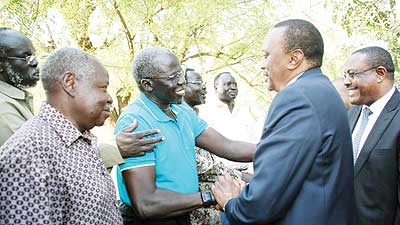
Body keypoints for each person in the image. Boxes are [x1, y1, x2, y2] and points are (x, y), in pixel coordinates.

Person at [212, 19, 354, 225]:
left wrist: (231, 203)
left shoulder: (296, 97)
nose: (263, 64)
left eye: (267, 55)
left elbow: (263, 204)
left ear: (294, 58)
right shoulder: (323, 90)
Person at [114, 47, 255, 225]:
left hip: (181, 214)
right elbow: (147, 204)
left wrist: (276, 151)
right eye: (172, 77)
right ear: (147, 85)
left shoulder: (180, 110)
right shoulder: (136, 121)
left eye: (180, 73)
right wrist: (213, 196)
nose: (182, 81)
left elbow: (227, 146)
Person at [0, 47, 122, 224]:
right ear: (70, 83)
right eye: (103, 88)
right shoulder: (28, 155)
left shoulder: (79, 139)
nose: (110, 98)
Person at [343, 46, 400, 225]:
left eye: (352, 74)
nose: (346, 82)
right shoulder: (352, 113)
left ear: (380, 74)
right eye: (345, 75)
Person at [200, 72, 260, 171]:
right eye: (228, 84)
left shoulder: (246, 112)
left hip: (247, 174)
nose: (233, 87)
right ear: (216, 88)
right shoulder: (206, 112)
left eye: (235, 84)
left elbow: (254, 141)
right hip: (219, 174)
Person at [0, 28, 39, 146]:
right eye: (26, 57)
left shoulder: (13, 98)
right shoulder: (3, 109)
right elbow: (33, 158)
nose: (34, 62)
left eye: (33, 56)